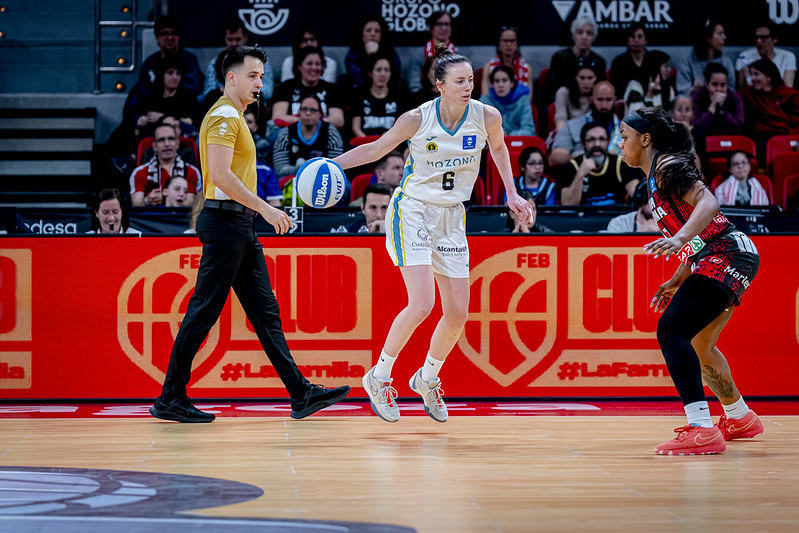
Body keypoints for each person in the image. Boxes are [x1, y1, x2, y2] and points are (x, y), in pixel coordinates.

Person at [333, 44, 534, 424]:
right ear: (439, 84)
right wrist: (332, 164)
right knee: (422, 303)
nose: (467, 86)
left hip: (452, 216)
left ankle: (426, 378)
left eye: (470, 80)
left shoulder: (487, 116)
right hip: (413, 211)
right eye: (459, 81)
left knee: (457, 313)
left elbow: (499, 148)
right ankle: (378, 376)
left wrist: (511, 192)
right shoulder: (416, 119)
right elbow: (376, 149)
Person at [149, 46, 350, 423]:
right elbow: (221, 175)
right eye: (253, 76)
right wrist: (266, 209)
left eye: (261, 76)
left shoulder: (234, 116)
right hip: (226, 223)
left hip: (237, 225)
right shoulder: (225, 115)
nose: (260, 83)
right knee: (204, 310)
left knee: (264, 312)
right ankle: (170, 396)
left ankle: (300, 393)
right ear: (232, 78)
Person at [619, 106, 763, 455]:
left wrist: (680, 237)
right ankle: (739, 417)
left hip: (727, 252)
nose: (619, 144)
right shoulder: (655, 177)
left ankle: (701, 428)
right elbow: (700, 238)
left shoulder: (666, 165)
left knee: (671, 330)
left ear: (645, 139)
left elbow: (709, 204)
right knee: (700, 345)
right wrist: (677, 278)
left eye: (624, 137)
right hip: (726, 254)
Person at [556, 122, 638, 206]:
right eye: (591, 139)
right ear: (583, 144)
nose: (597, 144)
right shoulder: (572, 166)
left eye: (602, 139)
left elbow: (639, 196)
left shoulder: (619, 164)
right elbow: (567, 205)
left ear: (608, 142)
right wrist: (580, 174)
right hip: (583, 215)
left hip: (614, 214)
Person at [200, 17, 273, 104]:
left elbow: (268, 92)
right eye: (230, 39)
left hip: (253, 104)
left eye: (238, 39)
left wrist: (241, 90)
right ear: (225, 39)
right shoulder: (215, 62)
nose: (234, 43)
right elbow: (207, 94)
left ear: (245, 38)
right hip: (221, 104)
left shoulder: (258, 60)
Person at [129, 121, 201, 207]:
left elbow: (191, 203)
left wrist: (164, 199)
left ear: (177, 143)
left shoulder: (192, 172)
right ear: (154, 146)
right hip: (150, 216)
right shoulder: (139, 172)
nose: (167, 144)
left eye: (171, 139)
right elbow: (136, 203)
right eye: (161, 140)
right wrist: (147, 200)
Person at [739, 58, 799, 160]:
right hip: (760, 139)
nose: (752, 78)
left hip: (785, 137)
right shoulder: (748, 93)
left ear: (769, 77)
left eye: (756, 74)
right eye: (751, 74)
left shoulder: (789, 94)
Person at [272, 95, 345, 178]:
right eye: (304, 109)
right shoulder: (285, 134)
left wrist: (312, 168)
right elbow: (280, 170)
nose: (308, 113)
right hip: (293, 178)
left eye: (313, 110)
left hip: (324, 178)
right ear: (299, 112)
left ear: (320, 114)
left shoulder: (331, 133)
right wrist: (302, 168)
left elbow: (336, 168)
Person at [271, 46, 345, 128]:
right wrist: (309, 121)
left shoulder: (332, 89)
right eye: (309, 63)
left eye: (318, 64)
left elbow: (338, 120)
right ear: (299, 66)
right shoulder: (285, 87)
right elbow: (277, 117)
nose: (314, 68)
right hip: (290, 133)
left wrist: (311, 121)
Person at [549, 81, 620, 166]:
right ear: (591, 99)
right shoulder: (571, 126)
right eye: (600, 99)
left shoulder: (627, 129)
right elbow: (554, 158)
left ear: (615, 100)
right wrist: (590, 156)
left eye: (608, 100)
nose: (604, 105)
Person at [132, 57, 199, 139]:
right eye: (170, 73)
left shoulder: (188, 97)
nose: (175, 77)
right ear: (161, 75)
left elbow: (193, 122)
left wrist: (163, 117)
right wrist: (140, 120)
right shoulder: (150, 97)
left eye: (178, 74)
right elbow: (138, 117)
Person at [139, 15, 203, 99]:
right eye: (164, 33)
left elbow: (191, 88)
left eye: (174, 33)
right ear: (157, 37)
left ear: (179, 37)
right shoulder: (149, 63)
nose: (170, 37)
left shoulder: (189, 60)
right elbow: (143, 90)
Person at [547, 15, 606, 101]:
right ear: (573, 36)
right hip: (564, 100)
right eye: (580, 32)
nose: (584, 37)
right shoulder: (559, 57)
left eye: (589, 33)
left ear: (594, 38)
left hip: (589, 103)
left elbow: (600, 90)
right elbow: (553, 88)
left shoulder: (599, 61)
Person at [350, 54, 407, 138]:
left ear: (391, 73)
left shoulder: (399, 97)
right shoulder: (359, 96)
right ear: (370, 73)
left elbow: (401, 128)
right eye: (378, 69)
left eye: (386, 70)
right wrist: (369, 143)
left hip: (391, 143)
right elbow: (356, 129)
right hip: (363, 143)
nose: (383, 74)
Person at [676, 19, 736, 95]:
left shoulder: (726, 61)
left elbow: (731, 90)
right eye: (720, 34)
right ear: (707, 37)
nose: (724, 37)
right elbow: (683, 91)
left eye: (723, 33)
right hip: (695, 101)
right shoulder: (686, 61)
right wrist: (696, 89)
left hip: (721, 100)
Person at [344, 15, 402, 90]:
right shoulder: (352, 56)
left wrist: (376, 54)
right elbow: (362, 81)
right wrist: (370, 56)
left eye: (377, 31)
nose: (372, 34)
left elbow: (394, 79)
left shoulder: (391, 54)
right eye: (368, 30)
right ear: (361, 34)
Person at [735, 21, 796, 89]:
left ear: (775, 39)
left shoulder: (787, 57)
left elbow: (788, 87)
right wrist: (742, 77)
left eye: (763, 37)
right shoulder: (744, 57)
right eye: (756, 37)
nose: (759, 41)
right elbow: (740, 89)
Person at [690, 63, 744, 138]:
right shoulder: (697, 96)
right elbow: (696, 130)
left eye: (723, 85)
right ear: (707, 84)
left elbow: (739, 128)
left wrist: (722, 110)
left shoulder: (735, 97)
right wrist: (712, 107)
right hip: (704, 141)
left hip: (729, 140)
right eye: (715, 84)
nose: (719, 89)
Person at [479, 65, 535, 137]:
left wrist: (508, 136)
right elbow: (477, 129)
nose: (500, 85)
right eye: (496, 81)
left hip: (517, 141)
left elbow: (529, 130)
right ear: (492, 84)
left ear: (512, 83)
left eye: (504, 80)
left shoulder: (523, 100)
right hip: (492, 141)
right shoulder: (485, 102)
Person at [480, 26, 531, 98]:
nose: (509, 44)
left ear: (517, 43)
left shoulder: (526, 68)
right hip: (493, 104)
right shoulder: (488, 67)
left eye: (512, 41)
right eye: (505, 40)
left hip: (520, 104)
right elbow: (484, 97)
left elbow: (528, 98)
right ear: (499, 43)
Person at [553, 57, 601, 131]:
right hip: (568, 132)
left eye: (590, 78)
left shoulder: (601, 94)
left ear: (596, 78)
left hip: (594, 133)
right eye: (582, 78)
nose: (586, 82)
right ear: (575, 78)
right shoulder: (563, 92)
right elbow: (560, 121)